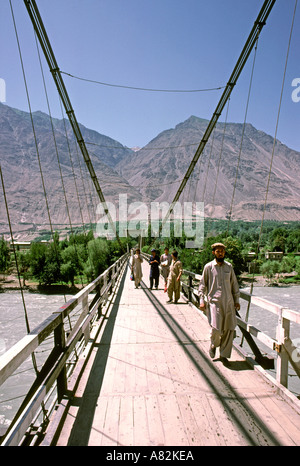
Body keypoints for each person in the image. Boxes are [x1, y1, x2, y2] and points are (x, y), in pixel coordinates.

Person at [199, 242, 240, 364]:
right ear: (213, 253)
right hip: (214, 303)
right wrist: (202, 301)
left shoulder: (229, 267)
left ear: (224, 253)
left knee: (229, 329)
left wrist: (236, 300)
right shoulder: (209, 267)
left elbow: (234, 285)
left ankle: (224, 355)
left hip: (228, 303)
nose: (220, 253)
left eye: (222, 251)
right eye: (218, 251)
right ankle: (213, 344)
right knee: (216, 329)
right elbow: (202, 286)